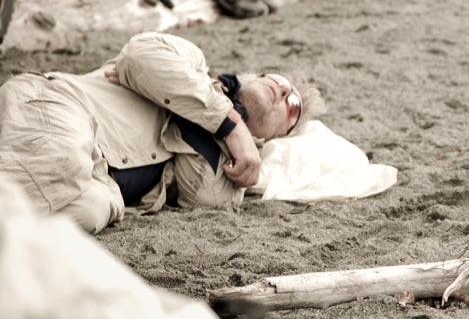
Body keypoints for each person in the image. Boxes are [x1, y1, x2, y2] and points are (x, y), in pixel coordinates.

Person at [0, 31, 321, 234]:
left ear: (276, 137)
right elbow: (140, 55)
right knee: (64, 162)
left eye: (292, 105)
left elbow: (206, 195)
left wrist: (233, 140)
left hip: (100, 181)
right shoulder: (192, 65)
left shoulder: (236, 169)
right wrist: (230, 124)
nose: (282, 88)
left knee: (89, 212)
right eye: (276, 78)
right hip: (61, 106)